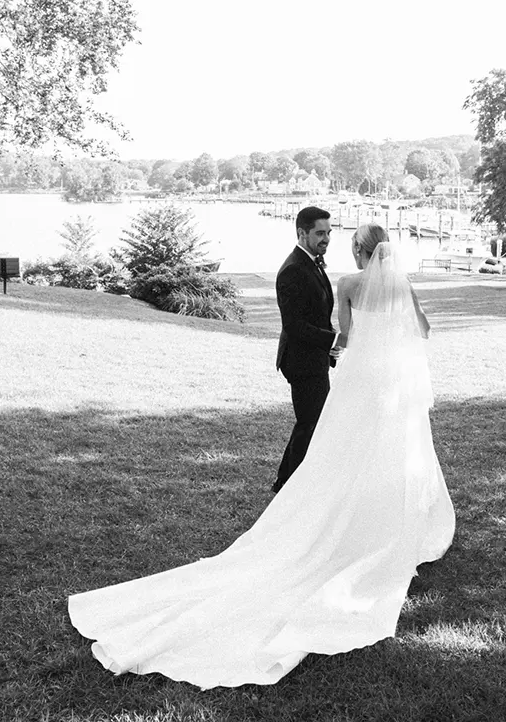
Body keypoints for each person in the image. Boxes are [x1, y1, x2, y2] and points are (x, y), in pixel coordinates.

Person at [68, 223, 455, 690]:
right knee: (396, 451)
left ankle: (340, 514)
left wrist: (350, 347)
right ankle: (393, 520)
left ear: (360, 250)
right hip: (396, 388)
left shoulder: (349, 284)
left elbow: (347, 340)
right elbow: (424, 331)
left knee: (343, 454)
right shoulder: (403, 285)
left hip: (362, 385)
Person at [272, 206, 339, 494]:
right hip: (300, 360)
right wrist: (332, 341)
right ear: (302, 233)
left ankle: (284, 482)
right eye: (319, 233)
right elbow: (295, 326)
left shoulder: (312, 261)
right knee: (310, 423)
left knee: (310, 422)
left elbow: (318, 315)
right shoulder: (292, 270)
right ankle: (288, 486)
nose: (326, 239)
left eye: (328, 233)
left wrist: (328, 345)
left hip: (314, 357)